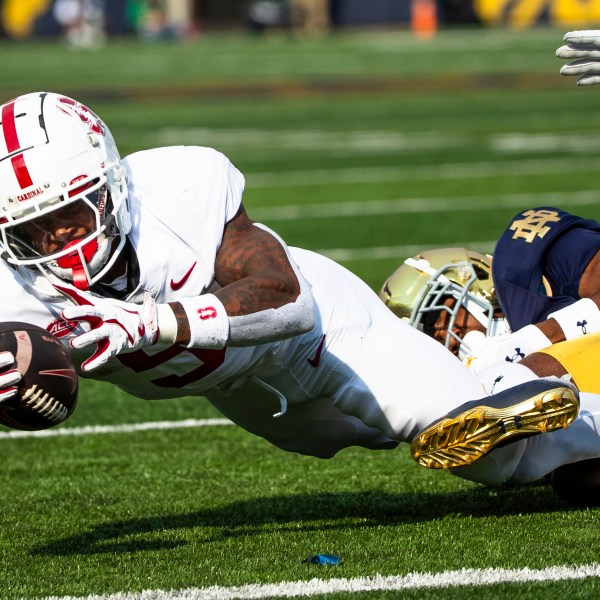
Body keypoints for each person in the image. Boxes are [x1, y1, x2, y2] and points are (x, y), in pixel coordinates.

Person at [0, 91, 587, 488]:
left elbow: (286, 299)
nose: (57, 241)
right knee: (387, 430)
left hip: (329, 335)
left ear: (111, 188)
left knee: (494, 453)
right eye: (31, 229)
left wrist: (153, 322)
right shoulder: (12, 290)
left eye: (70, 214)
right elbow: (26, 373)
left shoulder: (175, 189)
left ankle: (516, 372)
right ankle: (481, 361)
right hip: (252, 401)